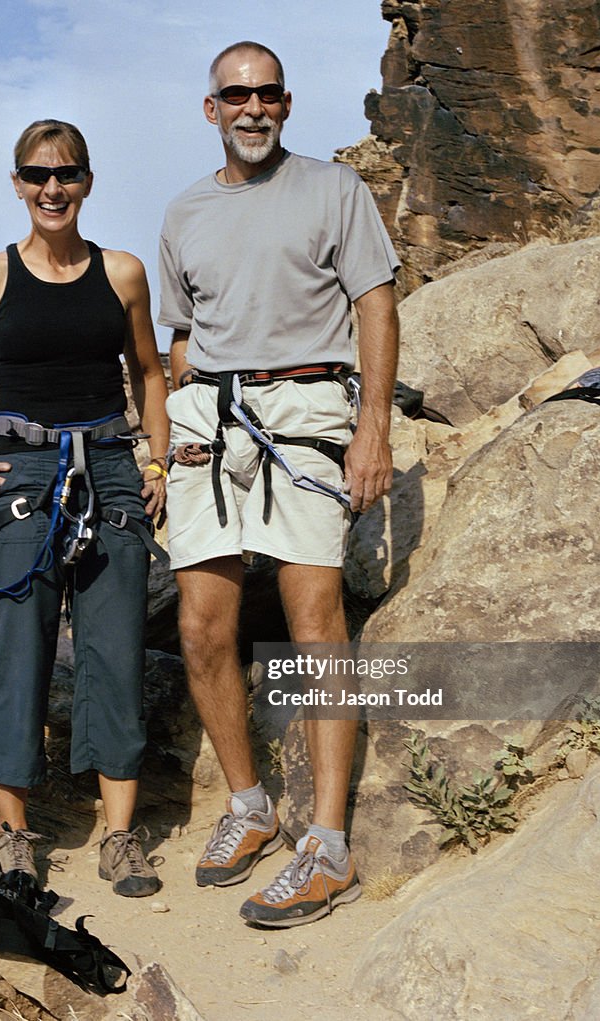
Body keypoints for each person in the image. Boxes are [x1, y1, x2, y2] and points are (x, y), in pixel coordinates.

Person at [158, 42, 400, 927]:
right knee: (201, 625)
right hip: (210, 429)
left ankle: (327, 846)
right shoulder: (184, 212)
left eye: (266, 94)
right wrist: (177, 432)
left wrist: (373, 425)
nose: (252, 108)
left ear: (287, 105)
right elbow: (181, 335)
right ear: (212, 108)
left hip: (304, 419)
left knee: (314, 623)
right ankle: (250, 806)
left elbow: (376, 305)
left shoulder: (336, 191)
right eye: (236, 96)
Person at [0, 119, 170, 898]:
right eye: (36, 175)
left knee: (114, 648)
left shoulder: (122, 274)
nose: (53, 189)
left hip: (112, 470)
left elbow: (149, 372)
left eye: (68, 174)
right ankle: (15, 838)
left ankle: (120, 837)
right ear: (17, 184)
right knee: (15, 653)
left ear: (87, 181)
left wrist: (156, 460)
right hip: (18, 479)